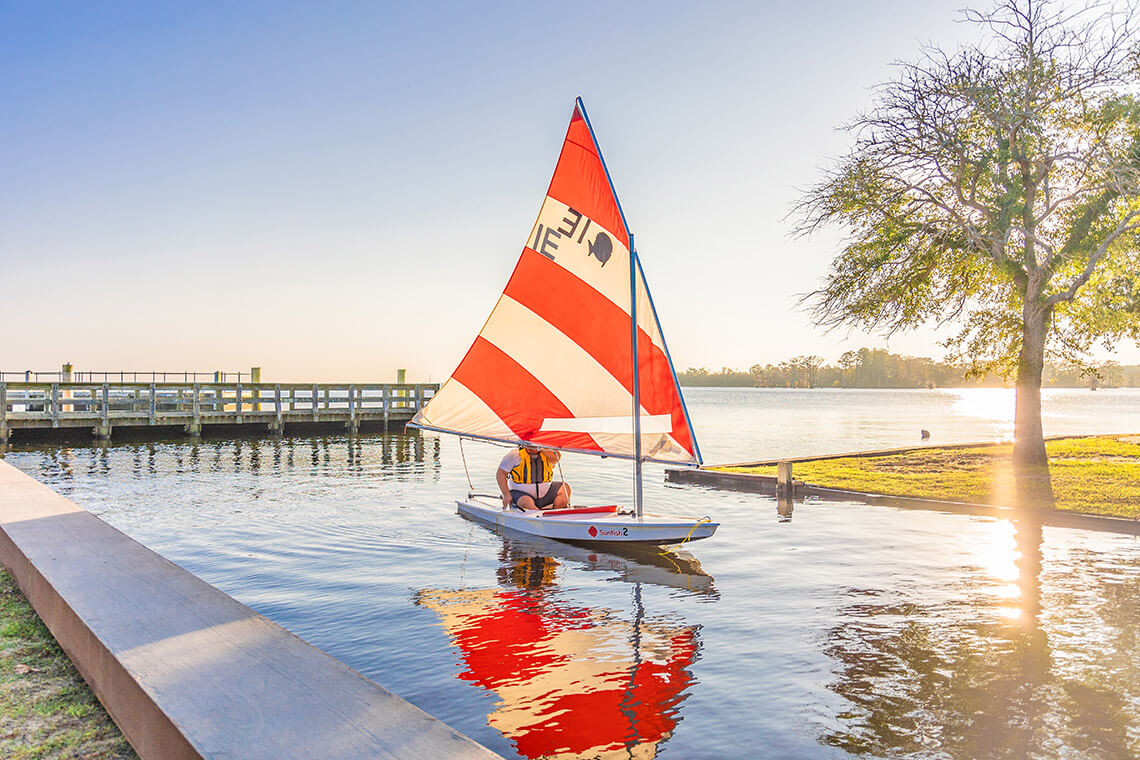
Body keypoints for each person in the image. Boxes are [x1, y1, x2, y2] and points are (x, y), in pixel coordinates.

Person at [497, 444, 572, 511]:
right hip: (520, 494)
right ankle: (537, 516)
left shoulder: (548, 453)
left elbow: (557, 458)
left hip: (546, 493)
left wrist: (541, 447)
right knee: (526, 502)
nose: (531, 446)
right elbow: (501, 473)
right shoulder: (514, 454)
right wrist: (506, 494)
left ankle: (557, 514)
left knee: (565, 488)